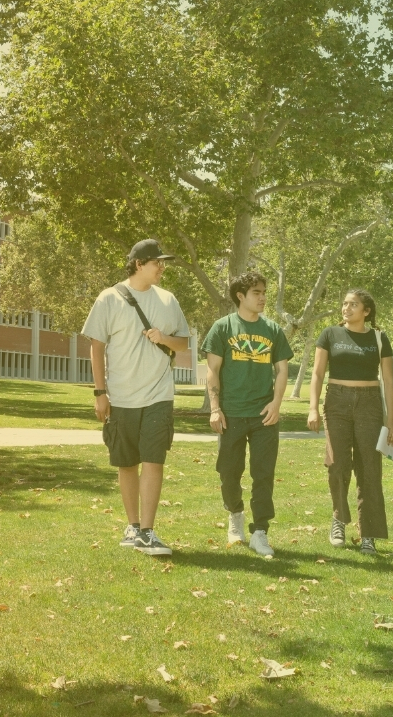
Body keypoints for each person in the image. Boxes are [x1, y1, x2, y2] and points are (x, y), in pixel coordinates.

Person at [82, 239, 191, 556]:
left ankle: (147, 530)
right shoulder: (109, 299)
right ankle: (132, 526)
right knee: (126, 463)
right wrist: (100, 393)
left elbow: (183, 344)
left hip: (159, 395)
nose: (162, 267)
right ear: (139, 264)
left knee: (154, 460)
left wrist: (164, 338)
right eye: (157, 262)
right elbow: (97, 347)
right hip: (121, 396)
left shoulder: (169, 301)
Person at [202, 270, 293, 559]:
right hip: (231, 413)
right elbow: (212, 371)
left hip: (264, 414)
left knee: (263, 474)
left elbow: (281, 370)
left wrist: (277, 404)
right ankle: (235, 517)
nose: (263, 297)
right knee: (229, 472)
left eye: (264, 292)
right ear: (241, 296)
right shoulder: (223, 328)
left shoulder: (273, 330)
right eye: (257, 293)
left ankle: (260, 532)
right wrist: (215, 409)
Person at [307, 290, 393, 555]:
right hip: (336, 401)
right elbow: (316, 374)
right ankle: (339, 520)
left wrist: (390, 421)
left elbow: (389, 382)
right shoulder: (330, 334)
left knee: (370, 468)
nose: (346, 308)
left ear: (366, 311)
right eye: (345, 304)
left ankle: (368, 532)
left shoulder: (379, 339)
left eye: (353, 304)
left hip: (370, 403)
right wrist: (313, 408)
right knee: (337, 464)